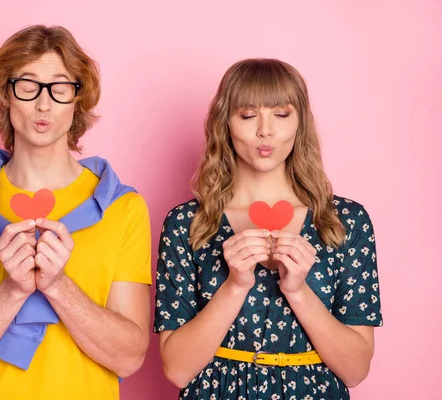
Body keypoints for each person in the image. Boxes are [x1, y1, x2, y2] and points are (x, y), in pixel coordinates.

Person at [0, 25, 152, 400]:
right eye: (28, 85)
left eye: (60, 88)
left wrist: (58, 285)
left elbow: (129, 358)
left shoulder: (122, 208)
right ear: (6, 95)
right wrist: (13, 289)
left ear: (78, 99)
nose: (43, 105)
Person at [154, 58, 383, 399]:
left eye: (281, 114)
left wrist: (298, 291)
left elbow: (355, 370)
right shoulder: (188, 224)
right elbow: (177, 369)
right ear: (225, 124)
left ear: (299, 122)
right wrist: (235, 285)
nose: (265, 131)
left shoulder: (343, 221)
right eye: (248, 115)